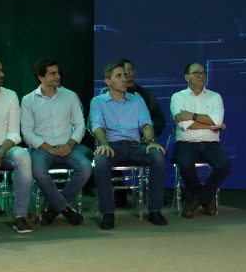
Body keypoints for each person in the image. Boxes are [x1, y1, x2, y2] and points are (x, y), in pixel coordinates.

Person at [89, 61, 168, 229]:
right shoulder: (98, 101)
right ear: (108, 81)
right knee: (100, 160)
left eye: (125, 75)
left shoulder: (137, 100)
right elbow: (97, 125)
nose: (124, 79)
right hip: (112, 146)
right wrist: (103, 144)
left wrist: (151, 141)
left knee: (158, 155)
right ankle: (108, 213)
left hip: (135, 146)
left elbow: (146, 123)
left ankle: (155, 210)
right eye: (119, 76)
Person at [20, 58, 91, 226]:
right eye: (52, 73)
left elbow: (80, 125)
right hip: (43, 149)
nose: (58, 76)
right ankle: (65, 209)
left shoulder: (70, 96)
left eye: (58, 72)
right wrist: (48, 148)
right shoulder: (28, 100)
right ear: (40, 77)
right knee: (38, 169)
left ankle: (53, 209)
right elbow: (27, 132)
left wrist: (70, 144)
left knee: (86, 167)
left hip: (69, 146)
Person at [0, 56, 34, 233]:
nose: (2, 74)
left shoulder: (10, 95)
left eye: (1, 70)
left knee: (23, 156)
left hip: (4, 149)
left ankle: (20, 216)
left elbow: (14, 133)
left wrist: (0, 153)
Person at [170, 62, 229, 218]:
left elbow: (217, 120)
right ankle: (206, 201)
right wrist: (210, 125)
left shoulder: (215, 97)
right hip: (186, 143)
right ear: (186, 77)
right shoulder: (178, 97)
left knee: (224, 165)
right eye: (196, 73)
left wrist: (192, 116)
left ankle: (197, 199)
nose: (201, 76)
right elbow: (183, 124)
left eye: (203, 73)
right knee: (185, 164)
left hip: (211, 144)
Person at [118, 59, 166, 136]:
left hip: (144, 138)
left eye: (130, 69)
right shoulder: (113, 94)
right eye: (124, 70)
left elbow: (159, 118)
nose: (127, 72)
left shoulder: (147, 95)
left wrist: (150, 135)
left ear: (134, 72)